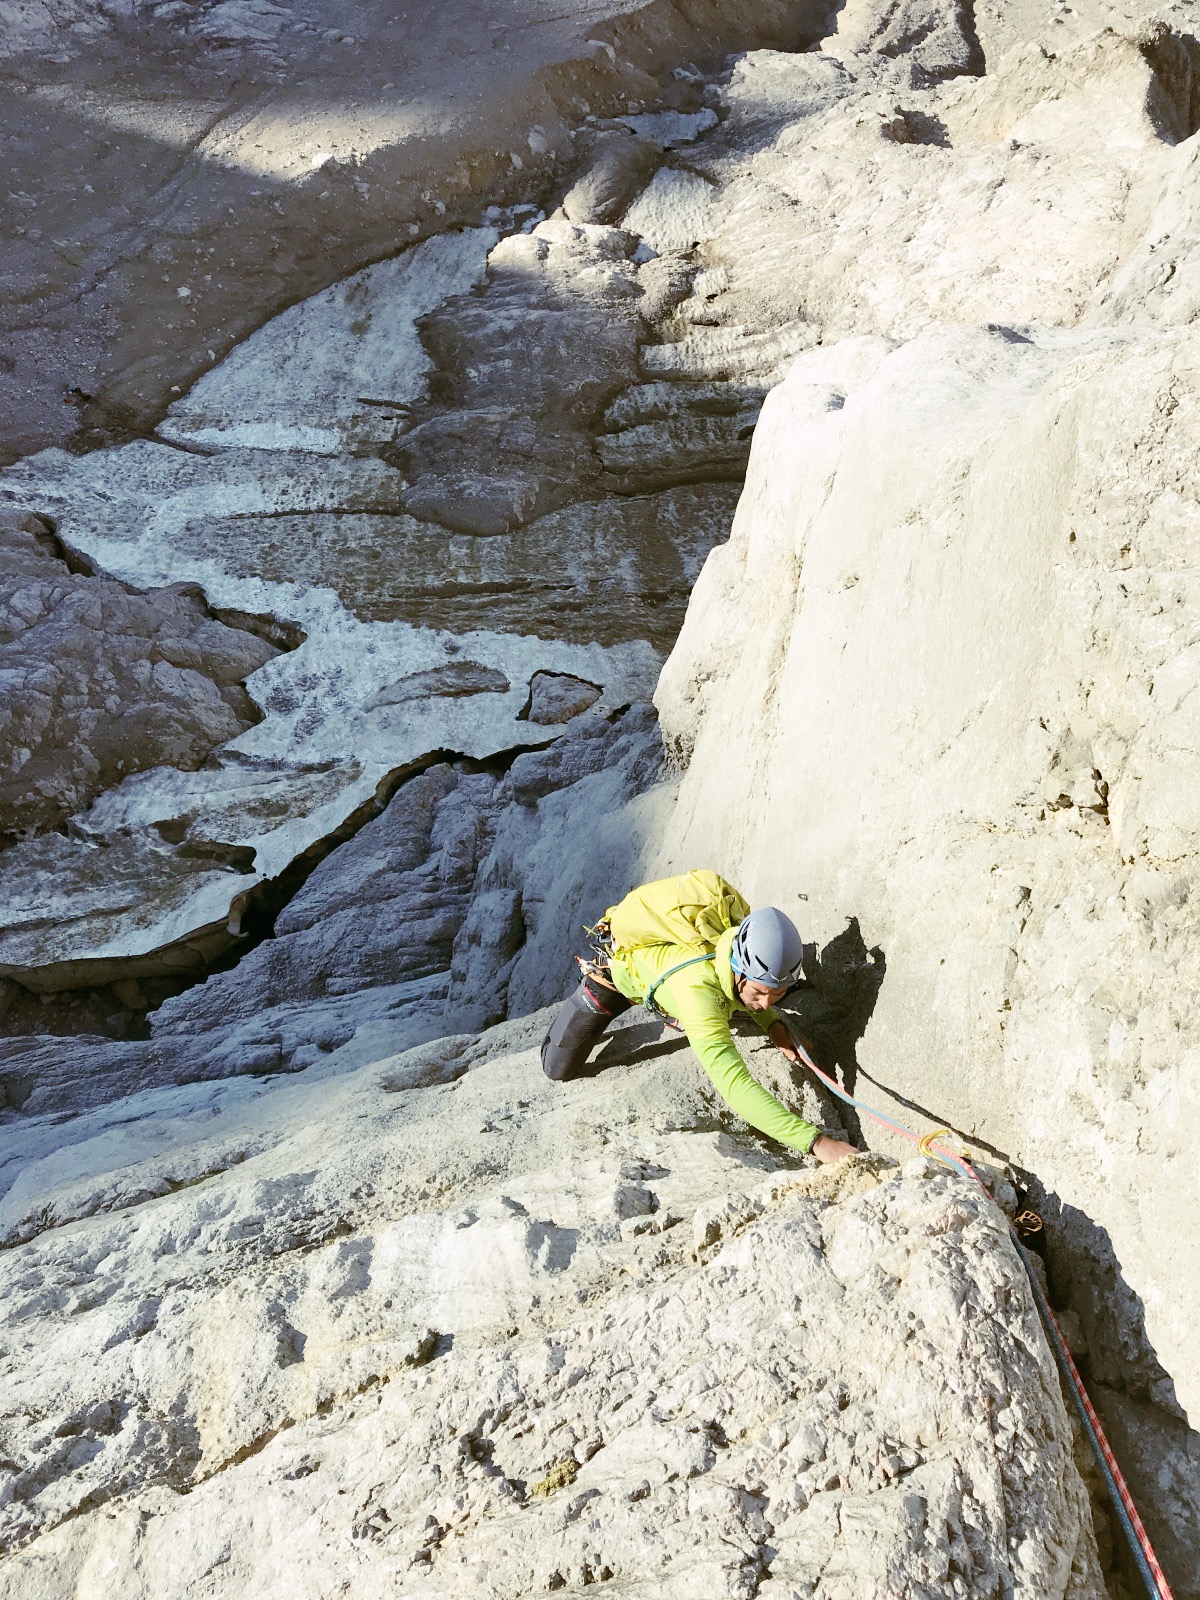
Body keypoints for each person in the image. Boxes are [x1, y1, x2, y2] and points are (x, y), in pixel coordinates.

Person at [541, 885, 858, 1165]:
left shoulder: (736, 943)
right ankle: (582, 1002)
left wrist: (772, 1024)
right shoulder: (698, 995)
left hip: (671, 975)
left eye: (776, 995)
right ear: (737, 969)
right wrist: (816, 1142)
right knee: (557, 1068)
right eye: (759, 993)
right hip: (616, 974)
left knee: (742, 1003)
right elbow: (734, 1085)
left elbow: (757, 994)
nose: (766, 1003)